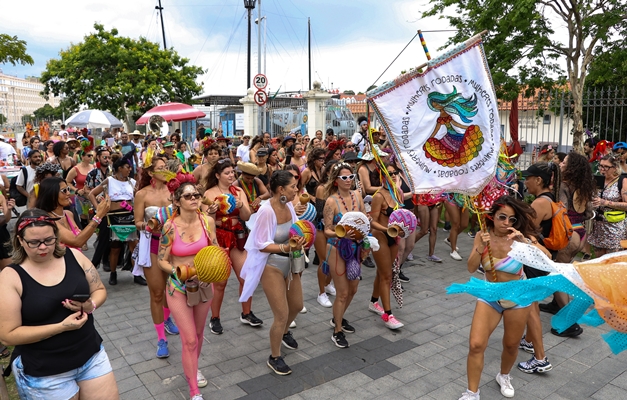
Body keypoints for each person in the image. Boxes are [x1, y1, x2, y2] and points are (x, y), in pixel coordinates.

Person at [0, 209, 119, 399]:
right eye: (34, 242)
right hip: (45, 370)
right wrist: (61, 327)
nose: (43, 247)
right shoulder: (11, 276)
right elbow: (8, 335)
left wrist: (91, 305)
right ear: (20, 241)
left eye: (48, 240)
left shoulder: (73, 256)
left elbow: (99, 290)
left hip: (90, 356)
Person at [459, 195, 550, 400]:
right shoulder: (483, 235)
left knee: (510, 344)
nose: (506, 223)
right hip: (490, 294)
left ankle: (504, 375)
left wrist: (524, 243)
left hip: (518, 297)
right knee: (476, 344)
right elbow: (471, 268)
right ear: (492, 216)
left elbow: (548, 257)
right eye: (502, 217)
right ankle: (472, 392)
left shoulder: (520, 236)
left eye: (512, 219)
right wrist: (480, 247)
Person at [239, 170, 306, 375]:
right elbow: (260, 244)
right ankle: (274, 356)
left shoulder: (288, 206)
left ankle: (285, 333)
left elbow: (295, 229)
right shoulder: (267, 211)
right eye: (293, 187)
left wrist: (303, 236)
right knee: (281, 314)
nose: (297, 190)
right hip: (272, 266)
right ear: (281, 189)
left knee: (297, 305)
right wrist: (286, 248)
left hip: (291, 262)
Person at [158, 179, 217, 400]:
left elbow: (215, 250)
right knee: (189, 338)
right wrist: (177, 270)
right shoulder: (169, 227)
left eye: (197, 195)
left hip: (203, 284)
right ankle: (194, 391)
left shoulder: (208, 222)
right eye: (188, 196)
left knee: (200, 334)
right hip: (178, 287)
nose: (194, 199)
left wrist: (217, 265)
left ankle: (193, 367)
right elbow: (161, 261)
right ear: (177, 201)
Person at [203, 159, 260, 334]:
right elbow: (205, 220)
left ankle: (247, 312)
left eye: (232, 173)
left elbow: (247, 216)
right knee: (220, 282)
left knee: (246, 276)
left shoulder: (239, 191)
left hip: (237, 236)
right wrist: (211, 212)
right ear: (218, 175)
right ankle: (215, 317)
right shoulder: (210, 193)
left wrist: (242, 204)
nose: (230, 175)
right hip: (218, 236)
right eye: (226, 173)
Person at [323, 162, 368, 348]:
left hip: (356, 248)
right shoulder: (331, 202)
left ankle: (337, 317)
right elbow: (326, 230)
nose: (349, 180)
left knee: (353, 289)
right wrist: (341, 233)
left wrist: (367, 240)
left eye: (351, 177)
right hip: (336, 248)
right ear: (336, 181)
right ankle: (337, 331)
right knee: (342, 293)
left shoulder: (357, 195)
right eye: (344, 177)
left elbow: (365, 219)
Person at [88, 155, 139, 285]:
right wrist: (99, 209)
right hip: (113, 218)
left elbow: (137, 199)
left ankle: (137, 274)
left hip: (129, 217)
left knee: (134, 246)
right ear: (119, 168)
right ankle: (113, 273)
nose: (129, 169)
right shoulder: (109, 181)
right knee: (115, 247)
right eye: (127, 167)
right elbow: (91, 194)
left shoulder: (132, 182)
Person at [368, 163, 405, 329]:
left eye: (395, 172)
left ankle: (374, 302)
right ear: (382, 177)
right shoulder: (378, 196)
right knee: (386, 275)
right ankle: (388, 314)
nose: (394, 175)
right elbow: (372, 223)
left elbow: (402, 216)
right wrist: (387, 230)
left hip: (394, 237)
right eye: (389, 173)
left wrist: (403, 229)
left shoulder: (398, 194)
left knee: (383, 272)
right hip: (380, 236)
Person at [36, 176, 110, 251]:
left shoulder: (68, 214)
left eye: (68, 189)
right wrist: (98, 216)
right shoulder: (48, 220)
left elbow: (81, 238)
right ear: (51, 195)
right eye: (64, 191)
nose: (68, 193)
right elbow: (77, 241)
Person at [588, 154, 627, 256]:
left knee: (612, 262)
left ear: (615, 168)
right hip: (598, 227)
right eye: (600, 166)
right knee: (598, 261)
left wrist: (605, 202)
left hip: (615, 227)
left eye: (606, 167)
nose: (602, 169)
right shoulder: (596, 179)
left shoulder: (622, 181)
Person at [85, 147, 113, 270]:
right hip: (97, 208)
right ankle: (100, 260)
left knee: (108, 235)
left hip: (111, 208)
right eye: (104, 157)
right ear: (98, 158)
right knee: (103, 234)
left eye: (109, 157)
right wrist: (97, 208)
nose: (107, 160)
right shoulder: (92, 173)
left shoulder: (113, 172)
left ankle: (105, 259)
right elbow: (87, 190)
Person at [66, 150, 96, 229]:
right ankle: (84, 239)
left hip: (93, 196)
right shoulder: (75, 169)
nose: (91, 158)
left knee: (94, 219)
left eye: (91, 156)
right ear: (82, 156)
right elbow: (67, 182)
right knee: (84, 220)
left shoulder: (94, 167)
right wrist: (76, 190)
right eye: (88, 155)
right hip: (81, 197)